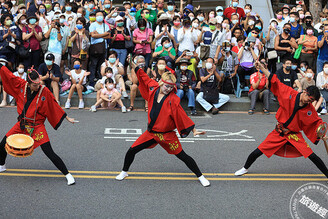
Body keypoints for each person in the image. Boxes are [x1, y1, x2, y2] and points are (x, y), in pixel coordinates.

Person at [115, 62, 210, 187]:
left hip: (167, 135)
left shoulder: (173, 99)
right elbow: (144, 77)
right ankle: (124, 171)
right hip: (151, 133)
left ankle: (200, 176)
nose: (168, 89)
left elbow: (182, 115)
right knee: (131, 150)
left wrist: (193, 130)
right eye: (166, 86)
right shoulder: (153, 88)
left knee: (183, 156)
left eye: (171, 87)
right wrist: (134, 65)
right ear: (160, 83)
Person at [234, 61, 328, 181]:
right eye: (308, 99)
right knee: (258, 151)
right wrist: (263, 68)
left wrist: (321, 133)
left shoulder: (309, 109)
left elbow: (316, 121)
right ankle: (245, 168)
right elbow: (275, 81)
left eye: (311, 101)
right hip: (279, 131)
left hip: (293, 134)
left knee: (312, 156)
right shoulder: (289, 93)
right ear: (304, 92)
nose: (308, 102)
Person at [0, 64, 76, 186]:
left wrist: (67, 117)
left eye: (38, 83)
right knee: (3, 143)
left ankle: (67, 174)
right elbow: (8, 75)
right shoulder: (21, 85)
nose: (38, 86)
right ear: (28, 83)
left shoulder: (44, 90)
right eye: (35, 84)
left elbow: (54, 105)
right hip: (22, 124)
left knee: (49, 152)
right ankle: (2, 165)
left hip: (37, 126)